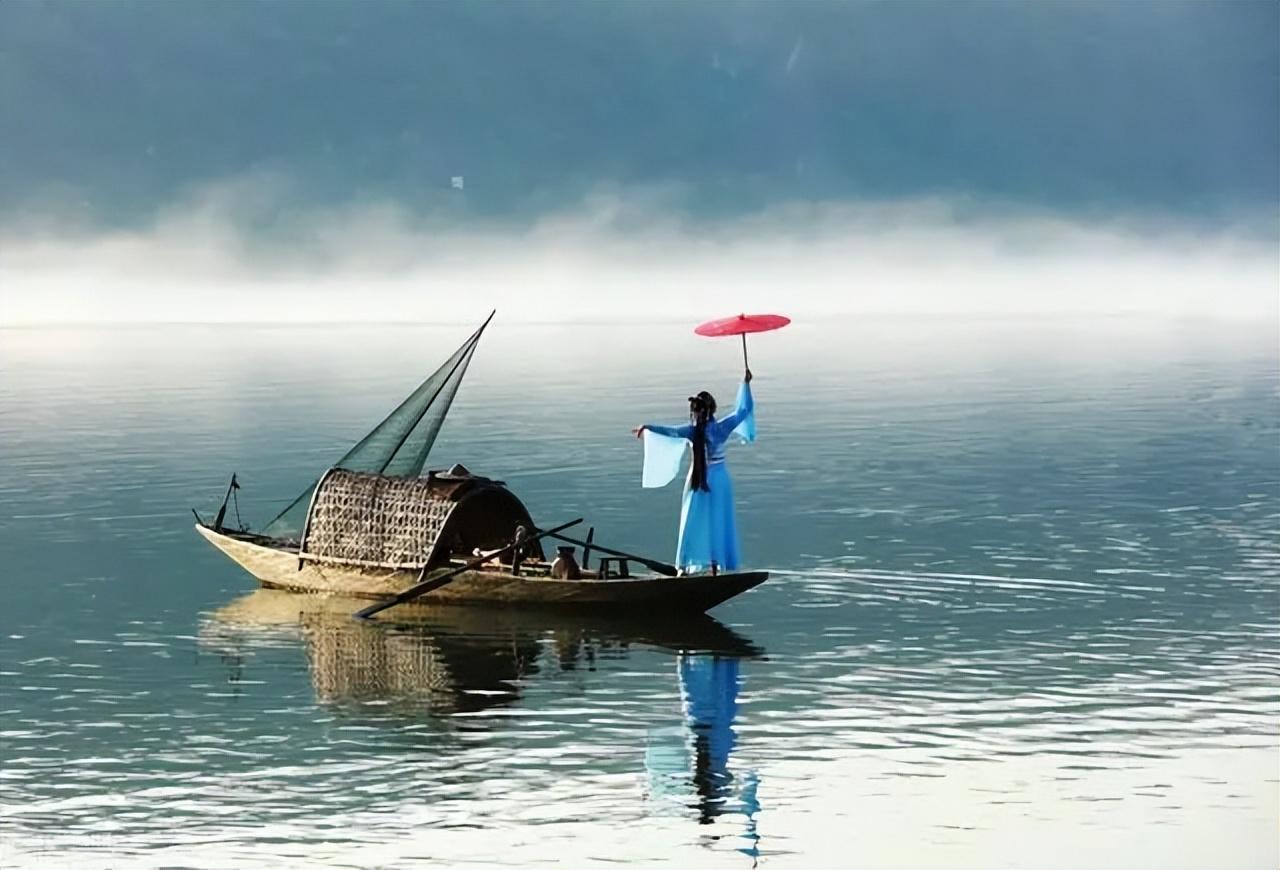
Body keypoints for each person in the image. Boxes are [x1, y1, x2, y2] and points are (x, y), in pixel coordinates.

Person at [634, 369, 755, 575]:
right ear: (713, 409)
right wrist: (745, 384)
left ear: (695, 411)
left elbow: (670, 431)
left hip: (699, 480)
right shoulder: (723, 427)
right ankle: (716, 567)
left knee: (692, 521)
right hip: (720, 480)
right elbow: (745, 410)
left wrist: (648, 427)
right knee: (718, 520)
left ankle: (683, 567)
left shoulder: (692, 431)